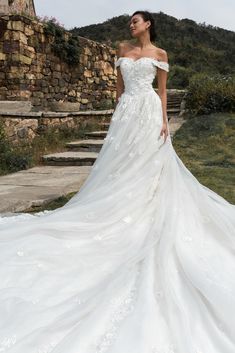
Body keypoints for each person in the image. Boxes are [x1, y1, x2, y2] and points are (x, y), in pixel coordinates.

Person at [0, 9, 235, 353]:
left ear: (149, 24)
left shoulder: (160, 55)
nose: (131, 25)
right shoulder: (122, 51)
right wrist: (116, 119)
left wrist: (165, 122)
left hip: (149, 112)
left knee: (148, 168)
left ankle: (145, 211)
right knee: (119, 168)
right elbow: (120, 90)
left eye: (136, 21)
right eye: (130, 22)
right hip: (127, 114)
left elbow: (162, 91)